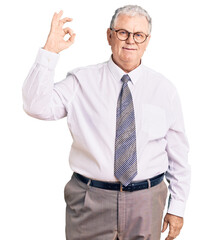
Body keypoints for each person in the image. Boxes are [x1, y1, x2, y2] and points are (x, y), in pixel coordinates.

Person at [22, 5, 191, 240]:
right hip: (89, 201)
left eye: (138, 35)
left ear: (147, 40)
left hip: (147, 201)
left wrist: (177, 207)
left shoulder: (164, 90)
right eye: (122, 32)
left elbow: (178, 155)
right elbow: (35, 106)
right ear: (109, 35)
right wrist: (50, 51)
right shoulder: (80, 82)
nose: (130, 40)